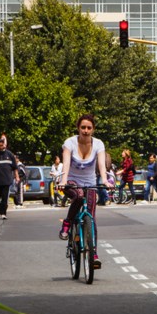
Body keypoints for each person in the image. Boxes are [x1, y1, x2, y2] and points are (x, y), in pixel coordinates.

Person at [58, 114, 106, 269]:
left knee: (91, 218)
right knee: (78, 195)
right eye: (83, 127)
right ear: (78, 128)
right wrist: (63, 181)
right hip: (71, 181)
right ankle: (67, 223)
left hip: (90, 183)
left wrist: (105, 180)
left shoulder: (98, 144)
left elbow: (101, 165)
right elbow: (66, 163)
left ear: (93, 129)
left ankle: (94, 255)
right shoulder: (70, 143)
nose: (86, 131)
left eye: (89, 128)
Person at [0, 137, 19, 219]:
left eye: (2, 145)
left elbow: (14, 167)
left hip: (6, 180)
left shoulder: (9, 154)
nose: (1, 146)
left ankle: (3, 213)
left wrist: (17, 176)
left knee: (4, 198)